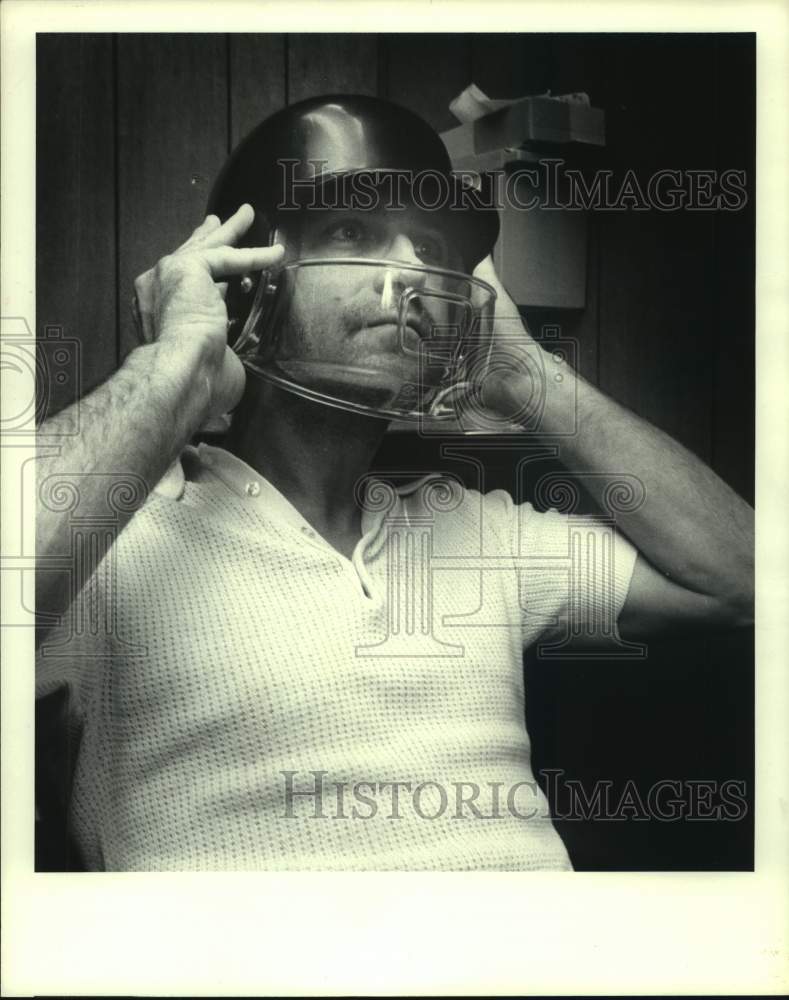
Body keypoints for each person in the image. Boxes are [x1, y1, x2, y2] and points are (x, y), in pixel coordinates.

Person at [35, 95, 753, 871]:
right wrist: (176, 362)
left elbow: (744, 583)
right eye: (354, 231)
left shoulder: (479, 535)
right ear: (251, 280)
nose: (414, 270)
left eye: (432, 246)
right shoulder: (115, 541)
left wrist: (524, 376)